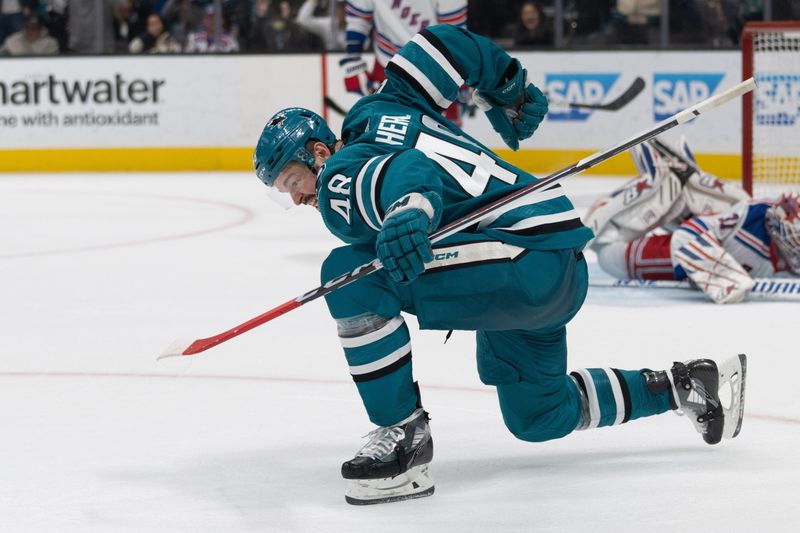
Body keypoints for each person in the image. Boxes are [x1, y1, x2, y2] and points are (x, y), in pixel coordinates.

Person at [253, 25, 747, 505]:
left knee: (349, 278)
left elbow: (407, 171)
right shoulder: (385, 105)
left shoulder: (338, 173)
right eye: (285, 193)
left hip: (518, 258)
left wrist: (409, 208)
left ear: (319, 152)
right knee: (538, 415)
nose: (298, 198)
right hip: (550, 262)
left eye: (293, 181)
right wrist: (506, 88)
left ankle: (403, 437)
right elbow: (441, 44)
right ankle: (686, 387)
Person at [585, 138, 799, 303]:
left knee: (729, 205)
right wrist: (722, 277)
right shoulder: (753, 215)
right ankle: (661, 184)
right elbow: (686, 236)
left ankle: (683, 197)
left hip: (705, 239)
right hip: (621, 257)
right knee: (607, 250)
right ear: (778, 230)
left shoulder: (786, 251)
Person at [340, 0, 468, 123]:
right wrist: (353, 59)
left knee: (438, 137)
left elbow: (452, 34)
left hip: (433, 69)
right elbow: (359, 18)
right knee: (384, 131)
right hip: (388, 64)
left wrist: (458, 78)